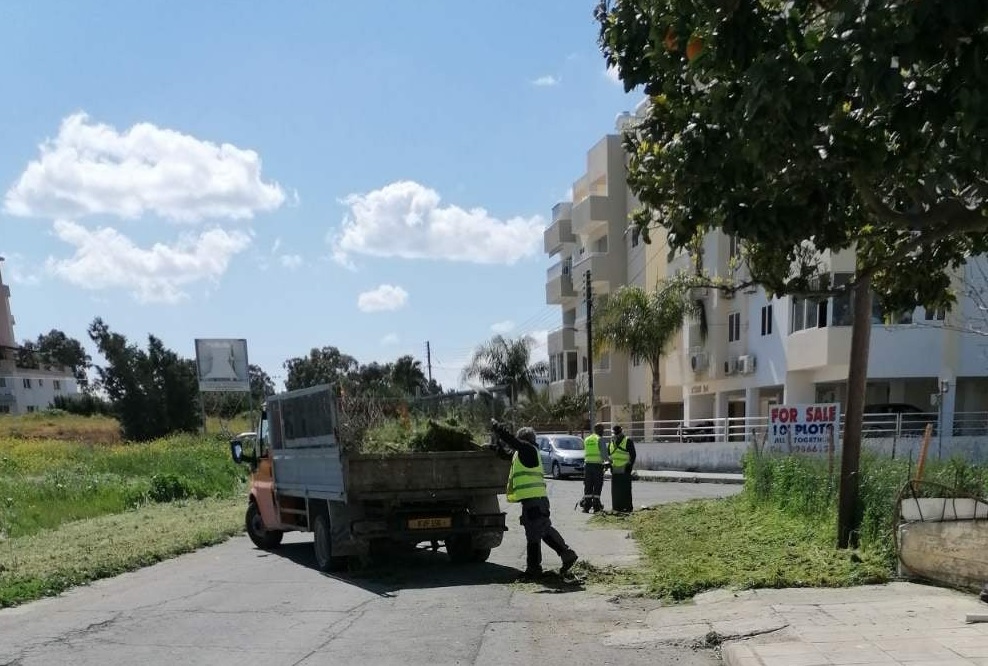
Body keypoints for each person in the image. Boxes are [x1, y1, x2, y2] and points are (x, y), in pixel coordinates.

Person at [490, 420, 579, 579]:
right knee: (541, 531)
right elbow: (505, 454)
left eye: (519, 440)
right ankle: (564, 555)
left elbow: (512, 441)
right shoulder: (522, 453)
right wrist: (495, 446)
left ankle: (536, 567)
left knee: (536, 533)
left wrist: (498, 429)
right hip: (534, 501)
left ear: (524, 439)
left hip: (534, 501)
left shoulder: (528, 450)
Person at [607, 424, 637, 513]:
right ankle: (616, 508)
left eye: (617, 433)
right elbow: (609, 455)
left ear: (621, 432)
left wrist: (630, 466)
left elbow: (633, 455)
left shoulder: (627, 441)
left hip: (625, 470)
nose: (616, 435)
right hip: (615, 470)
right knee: (616, 491)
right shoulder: (611, 442)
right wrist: (610, 465)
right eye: (615, 433)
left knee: (625, 490)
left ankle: (627, 508)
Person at [579, 423, 606, 513]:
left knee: (588, 486)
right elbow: (604, 455)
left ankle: (586, 507)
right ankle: (596, 507)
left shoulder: (587, 439)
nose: (603, 432)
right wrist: (610, 462)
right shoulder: (600, 439)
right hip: (597, 466)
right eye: (602, 430)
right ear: (599, 430)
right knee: (597, 486)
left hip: (587, 466)